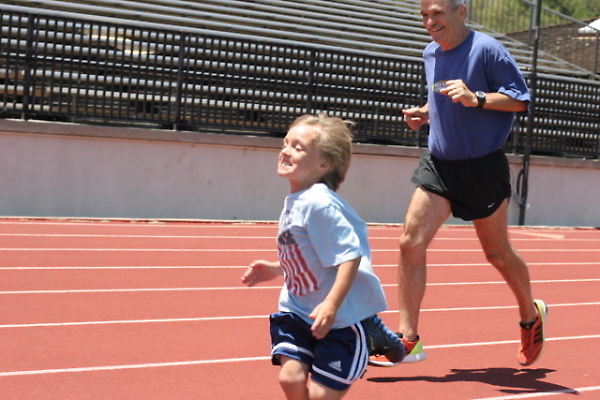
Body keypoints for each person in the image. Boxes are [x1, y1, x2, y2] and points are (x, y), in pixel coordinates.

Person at [368, 0, 547, 368]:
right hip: (439, 165)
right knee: (409, 242)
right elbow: (442, 99)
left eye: (437, 13)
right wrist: (425, 113)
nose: (430, 22)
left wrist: (476, 98)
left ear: (461, 12)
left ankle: (531, 316)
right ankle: (407, 340)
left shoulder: (487, 50)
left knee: (497, 254)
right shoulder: (430, 53)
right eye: (424, 15)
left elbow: (520, 101)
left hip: (482, 168)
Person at [241, 113, 404, 400]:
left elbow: (350, 257)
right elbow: (309, 254)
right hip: (298, 310)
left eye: (298, 147)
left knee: (319, 395)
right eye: (285, 143)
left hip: (339, 319)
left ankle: (368, 327)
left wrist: (331, 305)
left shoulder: (318, 204)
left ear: (323, 165)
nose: (286, 151)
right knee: (290, 378)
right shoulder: (296, 200)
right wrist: (278, 268)